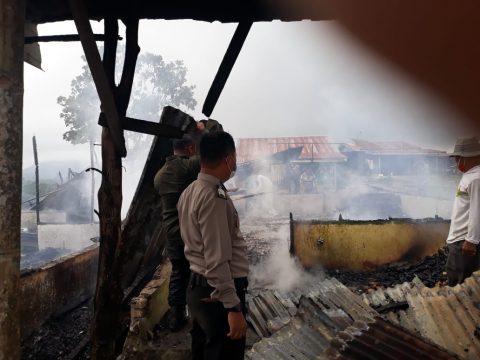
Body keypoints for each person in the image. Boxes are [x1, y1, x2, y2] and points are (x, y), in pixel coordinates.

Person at [177, 131, 249, 360]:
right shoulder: (213, 197)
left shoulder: (189, 192)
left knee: (203, 350)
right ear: (228, 158)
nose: (235, 162)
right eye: (235, 157)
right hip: (216, 295)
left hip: (198, 288)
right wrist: (233, 307)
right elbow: (217, 258)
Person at [153, 134, 200, 331]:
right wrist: (204, 130)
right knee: (200, 274)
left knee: (179, 274)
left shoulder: (160, 175)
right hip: (191, 233)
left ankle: (176, 318)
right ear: (190, 149)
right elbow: (210, 151)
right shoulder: (188, 167)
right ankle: (200, 316)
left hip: (172, 234)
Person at [446, 136, 480, 286]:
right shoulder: (470, 176)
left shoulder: (476, 178)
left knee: (460, 284)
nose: (456, 161)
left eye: (458, 157)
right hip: (459, 239)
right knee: (456, 278)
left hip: (463, 241)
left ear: (469, 157)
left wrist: (471, 241)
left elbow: (477, 211)